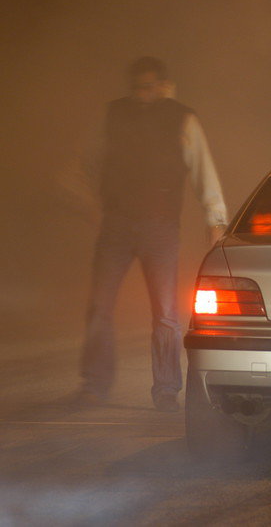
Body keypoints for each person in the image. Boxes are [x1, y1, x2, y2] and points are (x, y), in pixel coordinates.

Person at [76, 56, 227, 411]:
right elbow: (87, 161)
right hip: (117, 223)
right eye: (136, 88)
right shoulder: (113, 115)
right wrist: (88, 199)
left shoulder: (182, 119)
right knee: (100, 306)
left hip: (160, 226)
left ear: (161, 86)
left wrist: (216, 218)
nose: (142, 94)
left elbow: (203, 169)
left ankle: (166, 389)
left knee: (166, 311)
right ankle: (94, 384)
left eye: (148, 87)